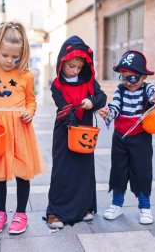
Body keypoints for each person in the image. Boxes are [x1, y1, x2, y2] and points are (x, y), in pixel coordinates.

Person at [0, 21, 45, 235]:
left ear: (22, 54)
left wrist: (30, 112)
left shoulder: (26, 75)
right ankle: (0, 213)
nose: (10, 60)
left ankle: (21, 213)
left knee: (22, 172)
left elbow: (31, 100)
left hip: (20, 129)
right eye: (5, 55)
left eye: (15, 57)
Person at [98, 50, 155, 225]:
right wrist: (108, 113)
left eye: (132, 78)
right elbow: (115, 106)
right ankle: (116, 205)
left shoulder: (147, 88)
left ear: (143, 77)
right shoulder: (121, 90)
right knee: (118, 172)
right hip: (120, 138)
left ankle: (145, 207)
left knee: (142, 172)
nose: (128, 82)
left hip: (141, 138)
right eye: (124, 77)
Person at [46, 36, 107, 229]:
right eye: (71, 66)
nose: (75, 70)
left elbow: (102, 96)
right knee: (62, 171)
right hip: (65, 129)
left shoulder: (89, 81)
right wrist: (77, 112)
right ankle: (55, 213)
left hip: (85, 130)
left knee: (84, 169)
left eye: (78, 67)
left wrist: (93, 102)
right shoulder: (57, 85)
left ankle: (85, 208)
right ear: (62, 62)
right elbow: (63, 107)